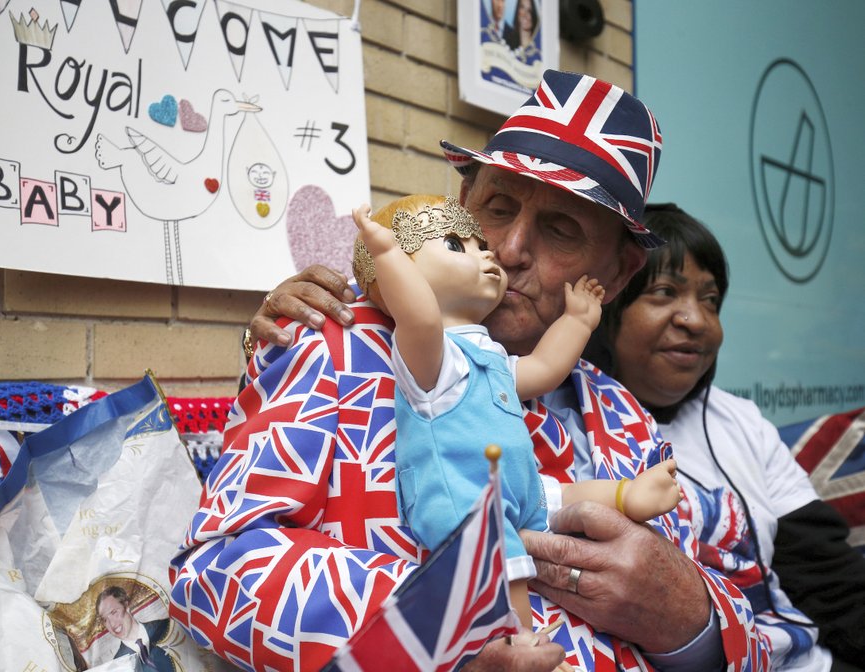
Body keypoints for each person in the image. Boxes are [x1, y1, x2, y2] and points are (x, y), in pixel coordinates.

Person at [171, 69, 770, 671]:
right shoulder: (338, 344)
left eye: (561, 229)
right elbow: (218, 569)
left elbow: (746, 627)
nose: (509, 250)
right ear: (459, 208)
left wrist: (687, 621)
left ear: (616, 273)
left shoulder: (625, 420)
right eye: (497, 207)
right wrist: (442, 635)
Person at [351, 194, 680, 637]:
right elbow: (420, 316)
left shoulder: (486, 352)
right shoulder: (431, 354)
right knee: (505, 567)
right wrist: (388, 254)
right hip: (465, 497)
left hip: (516, 486)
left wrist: (578, 322)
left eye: (474, 241)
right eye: (456, 245)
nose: (494, 252)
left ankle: (626, 494)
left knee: (566, 496)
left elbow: (542, 369)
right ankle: (523, 646)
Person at [587, 202, 865, 671]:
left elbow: (826, 578)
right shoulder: (570, 427)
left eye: (710, 300)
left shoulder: (739, 420)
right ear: (608, 306)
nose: (695, 320)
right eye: (663, 292)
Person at [96, 585, 174, 672]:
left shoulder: (167, 627)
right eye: (105, 620)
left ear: (127, 606)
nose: (112, 624)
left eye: (114, 612)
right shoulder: (118, 667)